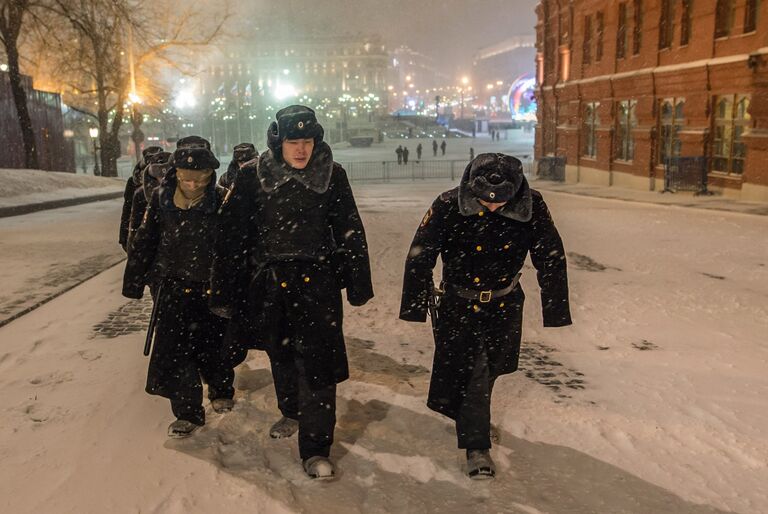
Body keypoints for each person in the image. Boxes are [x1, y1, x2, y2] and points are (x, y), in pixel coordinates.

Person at [210, 105, 373, 480]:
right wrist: (224, 290)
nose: (301, 150)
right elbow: (231, 237)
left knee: (319, 365)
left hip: (317, 283)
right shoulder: (252, 176)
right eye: (293, 142)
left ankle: (316, 449)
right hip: (268, 282)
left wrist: (357, 284)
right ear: (279, 142)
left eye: (308, 141)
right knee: (280, 353)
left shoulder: (333, 175)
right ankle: (292, 410)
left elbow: (350, 228)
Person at [399, 153, 571, 480]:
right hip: (458, 303)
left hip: (505, 303)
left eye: (500, 202)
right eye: (484, 201)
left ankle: (469, 416)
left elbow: (551, 255)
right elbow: (420, 254)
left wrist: (556, 307)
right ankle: (476, 446)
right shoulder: (448, 204)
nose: (491, 207)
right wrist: (414, 306)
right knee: (471, 370)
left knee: (492, 367)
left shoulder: (532, 205)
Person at [122, 139, 236, 439]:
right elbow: (145, 241)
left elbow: (233, 246)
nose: (192, 184)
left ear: (210, 176)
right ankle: (187, 411)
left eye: (199, 179)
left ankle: (221, 388)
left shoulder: (223, 199)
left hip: (210, 287)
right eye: (186, 177)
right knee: (175, 352)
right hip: (172, 287)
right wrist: (135, 281)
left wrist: (234, 282)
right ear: (176, 173)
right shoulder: (161, 199)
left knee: (214, 344)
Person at [119, 146, 163, 252]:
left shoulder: (166, 177)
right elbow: (128, 208)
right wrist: (124, 236)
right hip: (140, 230)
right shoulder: (134, 182)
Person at [126, 151, 172, 250]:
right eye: (159, 175)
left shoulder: (181, 191)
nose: (162, 179)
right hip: (150, 247)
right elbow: (135, 222)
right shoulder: (141, 194)